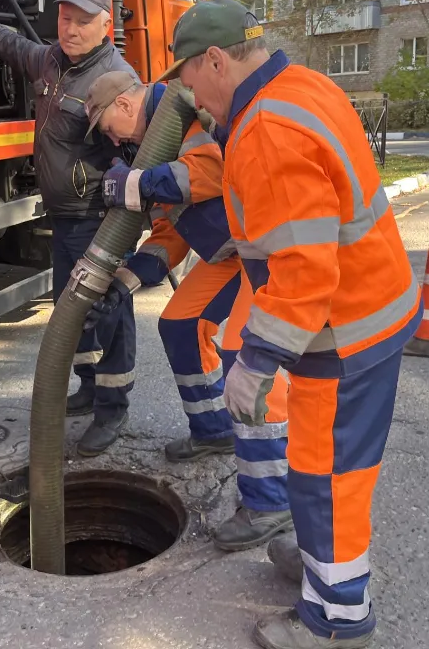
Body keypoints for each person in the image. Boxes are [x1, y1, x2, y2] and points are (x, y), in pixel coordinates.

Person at [157, 0, 423, 649]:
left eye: (189, 80)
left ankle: (337, 618)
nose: (192, 100)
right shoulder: (301, 85)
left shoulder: (266, 131)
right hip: (368, 312)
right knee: (321, 466)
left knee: (326, 478)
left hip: (345, 333)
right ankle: (317, 562)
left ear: (215, 61)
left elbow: (302, 270)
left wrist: (256, 360)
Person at [82, 71, 293, 549]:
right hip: (229, 251)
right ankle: (213, 429)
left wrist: (137, 183)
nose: (111, 139)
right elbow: (169, 233)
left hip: (262, 246)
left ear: (125, 105)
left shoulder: (181, 116)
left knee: (246, 355)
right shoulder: (150, 147)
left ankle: (272, 500)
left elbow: (212, 173)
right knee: (179, 324)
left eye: (108, 126)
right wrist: (122, 286)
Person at [0, 0, 138, 454]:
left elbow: (137, 152)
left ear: (105, 25)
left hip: (97, 220)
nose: (71, 29)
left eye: (83, 21)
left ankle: (113, 408)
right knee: (71, 311)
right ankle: (89, 386)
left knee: (109, 315)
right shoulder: (50, 61)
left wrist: (124, 223)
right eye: (66, 18)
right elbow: (14, 46)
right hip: (62, 217)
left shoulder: (116, 79)